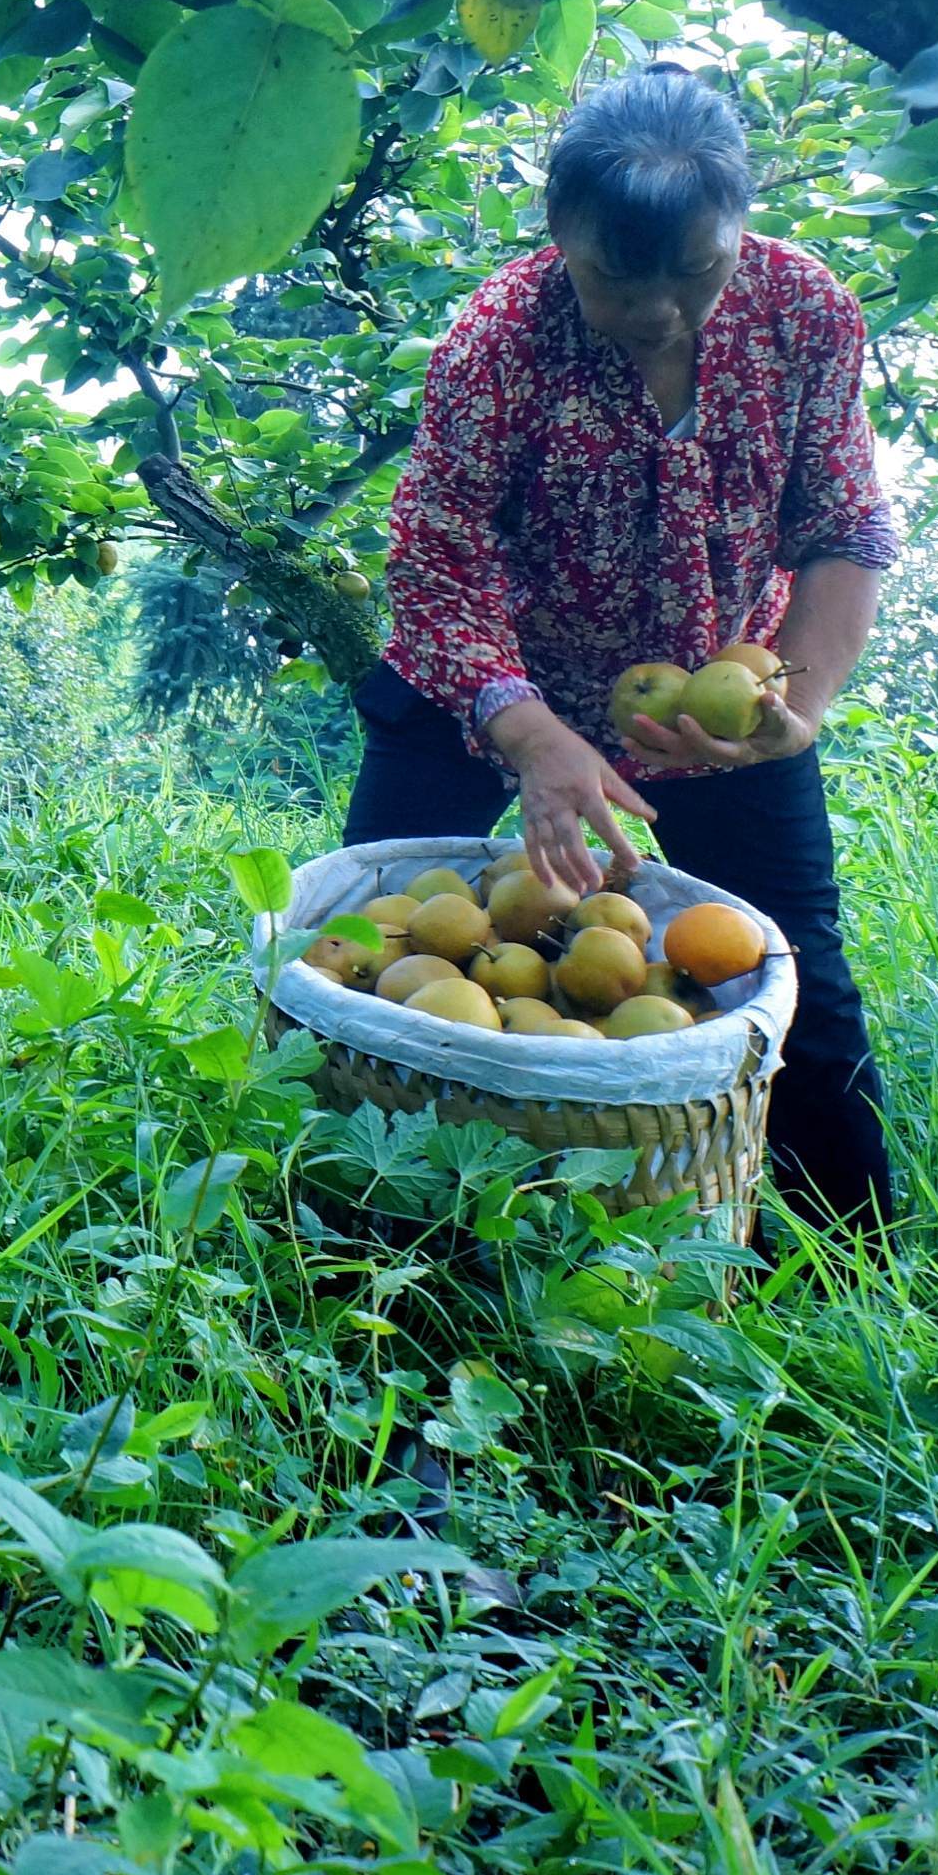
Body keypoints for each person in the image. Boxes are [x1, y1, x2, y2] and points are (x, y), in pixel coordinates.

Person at [348, 67, 899, 1233]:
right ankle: (365, 1246)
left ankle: (848, 1282)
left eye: (696, 273)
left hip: (709, 692)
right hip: (484, 679)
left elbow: (842, 522)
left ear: (738, 231)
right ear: (557, 236)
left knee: (786, 981)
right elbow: (440, 563)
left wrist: (801, 700)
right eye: (614, 277)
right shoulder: (498, 339)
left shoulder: (805, 313)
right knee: (370, 963)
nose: (658, 312)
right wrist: (535, 737)